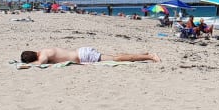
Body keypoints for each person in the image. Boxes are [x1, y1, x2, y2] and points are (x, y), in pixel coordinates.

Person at [20, 47, 160, 65]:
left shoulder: (43, 54)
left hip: (84, 56)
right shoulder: (44, 50)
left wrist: (28, 65)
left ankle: (150, 57)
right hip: (82, 53)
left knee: (117, 59)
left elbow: (41, 63)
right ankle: (142, 55)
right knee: (116, 56)